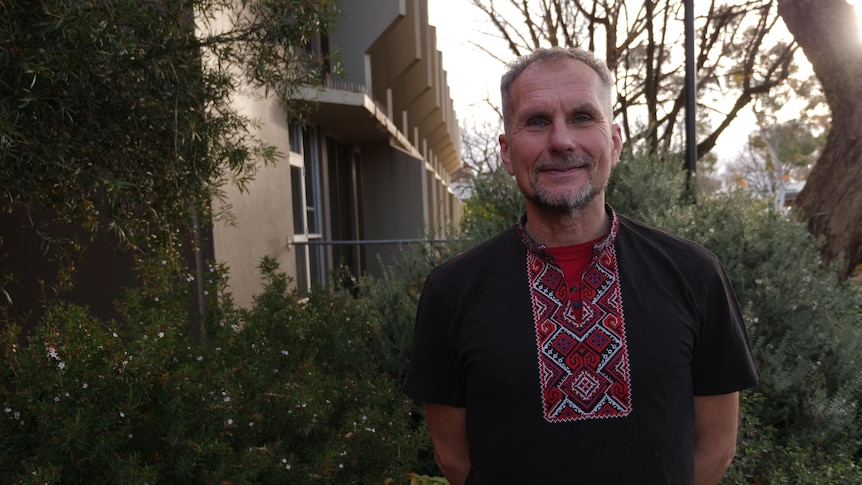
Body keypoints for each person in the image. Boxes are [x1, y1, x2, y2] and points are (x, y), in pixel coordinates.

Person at [402, 46, 759, 485]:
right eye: (536, 121)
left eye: (583, 117)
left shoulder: (694, 275)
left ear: (614, 141)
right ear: (508, 152)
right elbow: (452, 456)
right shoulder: (452, 292)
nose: (562, 140)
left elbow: (716, 446)